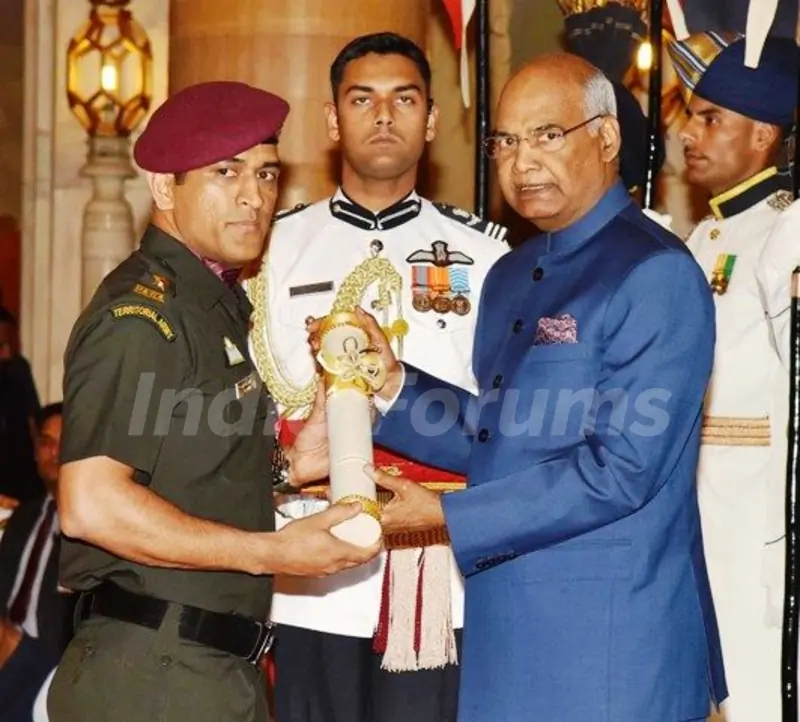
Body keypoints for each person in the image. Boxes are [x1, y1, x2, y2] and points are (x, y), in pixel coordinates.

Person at [322, 53, 728, 722]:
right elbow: (504, 434)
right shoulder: (512, 274)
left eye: (547, 135)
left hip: (609, 642)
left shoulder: (654, 272)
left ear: (605, 139)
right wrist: (390, 384)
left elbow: (621, 469)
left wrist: (446, 518)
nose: (521, 160)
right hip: (508, 630)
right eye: (505, 141)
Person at [47, 81, 379, 722]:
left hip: (211, 670)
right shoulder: (143, 317)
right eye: (225, 173)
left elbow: (188, 465)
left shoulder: (213, 307)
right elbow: (90, 505)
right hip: (151, 672)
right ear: (165, 188)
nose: (254, 197)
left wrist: (289, 463)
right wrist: (274, 553)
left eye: (266, 173)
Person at [246, 31, 508, 722]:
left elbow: (505, 419)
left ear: (432, 119)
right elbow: (246, 403)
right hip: (312, 566)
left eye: (404, 98)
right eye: (362, 99)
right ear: (333, 120)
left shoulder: (488, 255)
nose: (384, 115)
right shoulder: (273, 249)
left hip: (434, 565)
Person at [667, 30, 800, 722]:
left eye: (711, 119)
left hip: (757, 520)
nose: (690, 133)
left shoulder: (788, 230)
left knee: (753, 695)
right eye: (693, 116)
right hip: (701, 509)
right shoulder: (705, 236)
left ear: (763, 136)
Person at [0, 403, 75, 722]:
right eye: (46, 442)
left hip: (49, 656)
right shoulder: (24, 516)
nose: (55, 452)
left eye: (64, 442)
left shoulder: (89, 525)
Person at [0, 307, 41, 502]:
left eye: (11, 344)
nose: (7, 354)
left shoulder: (17, 368)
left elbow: (32, 420)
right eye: (0, 346)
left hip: (19, 472)